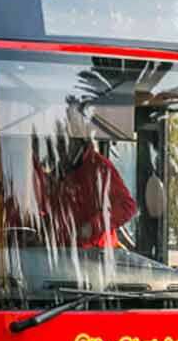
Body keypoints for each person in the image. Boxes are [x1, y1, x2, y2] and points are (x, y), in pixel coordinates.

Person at [31, 100, 138, 251]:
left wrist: (92, 226)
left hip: (96, 261)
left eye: (62, 142)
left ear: (78, 140)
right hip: (62, 257)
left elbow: (127, 207)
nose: (58, 149)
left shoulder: (100, 168)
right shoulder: (57, 173)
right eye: (56, 143)